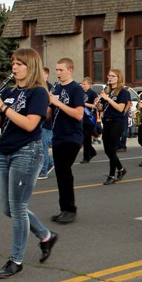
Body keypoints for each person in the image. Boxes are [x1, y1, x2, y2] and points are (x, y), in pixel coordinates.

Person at [0, 48, 57, 278]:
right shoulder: (10, 91)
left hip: (27, 152)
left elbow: (30, 124)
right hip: (6, 152)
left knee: (18, 208)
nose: (14, 67)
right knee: (8, 209)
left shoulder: (39, 93)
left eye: (19, 63)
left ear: (30, 66)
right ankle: (46, 236)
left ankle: (16, 259)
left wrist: (2, 106)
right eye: (13, 63)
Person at [48, 58, 85, 224]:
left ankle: (70, 209)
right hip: (57, 135)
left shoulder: (76, 88)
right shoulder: (56, 88)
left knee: (64, 171)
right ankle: (64, 209)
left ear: (70, 70)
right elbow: (50, 113)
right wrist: (48, 104)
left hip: (72, 136)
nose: (58, 73)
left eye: (61, 70)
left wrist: (58, 103)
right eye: (56, 70)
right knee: (60, 174)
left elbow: (78, 114)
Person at [97, 68, 130, 185]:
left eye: (112, 76)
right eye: (109, 76)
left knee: (112, 149)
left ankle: (112, 175)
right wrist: (99, 104)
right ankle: (121, 169)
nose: (109, 78)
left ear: (118, 78)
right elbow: (102, 108)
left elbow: (120, 108)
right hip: (107, 122)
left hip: (117, 122)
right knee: (107, 149)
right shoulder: (108, 91)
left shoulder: (123, 92)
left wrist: (108, 99)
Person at [38, 67, 55, 179]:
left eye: (42, 74)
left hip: (47, 121)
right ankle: (50, 162)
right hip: (38, 120)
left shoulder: (50, 88)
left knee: (43, 146)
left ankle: (43, 170)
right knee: (40, 146)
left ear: (47, 75)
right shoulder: (37, 87)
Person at [80, 77, 98, 163]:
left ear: (89, 85)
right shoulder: (80, 93)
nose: (83, 86)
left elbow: (95, 106)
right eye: (82, 84)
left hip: (89, 118)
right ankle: (92, 151)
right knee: (83, 138)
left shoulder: (93, 94)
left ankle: (86, 157)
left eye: (85, 84)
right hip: (82, 118)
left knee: (87, 138)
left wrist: (85, 104)